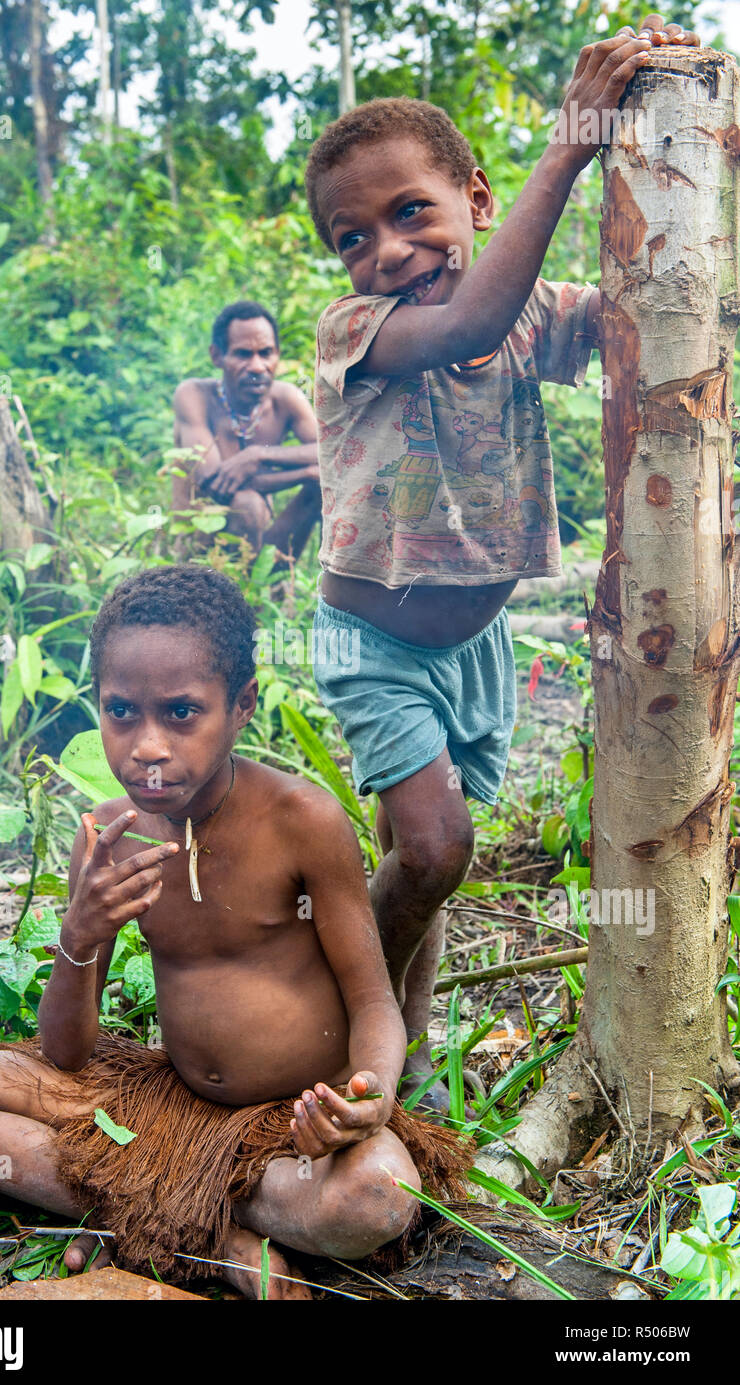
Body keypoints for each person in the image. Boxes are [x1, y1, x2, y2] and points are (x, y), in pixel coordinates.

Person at [303, 16, 699, 1110]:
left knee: (416, 871)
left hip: (477, 647)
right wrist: (569, 141)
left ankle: (404, 1055)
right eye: (353, 235)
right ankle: (338, 1027)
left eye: (410, 212)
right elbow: (473, 313)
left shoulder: (538, 321)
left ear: (477, 200)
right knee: (434, 849)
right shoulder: (357, 328)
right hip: (373, 642)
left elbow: (674, 311)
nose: (385, 250)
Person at [0, 565, 472, 1300]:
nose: (147, 746)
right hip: (163, 1107)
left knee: (379, 1193)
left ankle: (147, 1220)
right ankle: (202, 1239)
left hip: (285, 1128)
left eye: (180, 713)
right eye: (120, 712)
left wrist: (368, 1098)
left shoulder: (303, 822)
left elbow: (373, 1003)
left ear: (241, 707)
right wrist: (80, 932)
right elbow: (66, 1052)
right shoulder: (108, 835)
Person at [173, 301, 322, 562]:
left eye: (266, 353)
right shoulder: (194, 395)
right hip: (200, 552)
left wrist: (258, 456)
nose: (257, 366)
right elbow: (215, 483)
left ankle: (281, 584)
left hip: (262, 545)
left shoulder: (285, 398)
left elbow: (332, 451)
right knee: (247, 504)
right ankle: (241, 594)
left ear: (278, 354)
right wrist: (308, 471)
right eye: (243, 354)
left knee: (325, 485)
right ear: (217, 356)